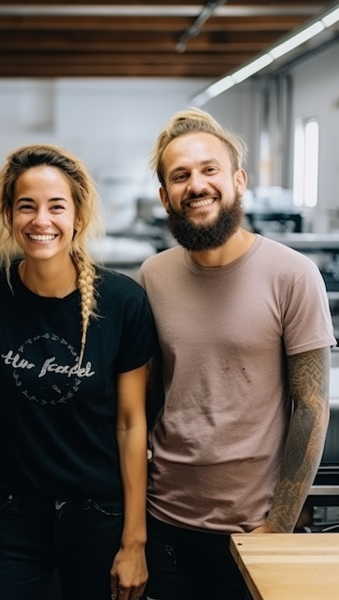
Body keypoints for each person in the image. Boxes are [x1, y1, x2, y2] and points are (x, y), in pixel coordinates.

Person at [0, 143, 158, 600]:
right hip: (13, 512)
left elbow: (131, 422)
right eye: (27, 207)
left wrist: (134, 542)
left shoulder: (122, 302)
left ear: (78, 215)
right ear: (8, 215)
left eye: (56, 206)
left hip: (101, 514)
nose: (42, 221)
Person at [138, 108, 335, 600]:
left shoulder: (293, 275)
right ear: (165, 196)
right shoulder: (153, 277)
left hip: (253, 528)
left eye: (210, 170)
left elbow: (311, 406)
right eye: (180, 176)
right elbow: (146, 401)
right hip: (163, 523)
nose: (196, 185)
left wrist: (279, 527)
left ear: (238, 180)